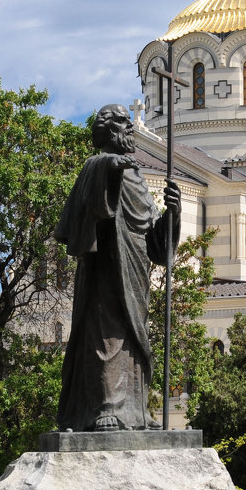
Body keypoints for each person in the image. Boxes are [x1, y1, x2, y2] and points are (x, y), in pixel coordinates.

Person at [54, 103, 181, 432]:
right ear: (108, 130)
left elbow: (155, 241)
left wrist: (173, 214)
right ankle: (105, 407)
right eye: (124, 125)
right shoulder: (95, 166)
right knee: (106, 336)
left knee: (134, 339)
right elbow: (90, 207)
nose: (131, 130)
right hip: (107, 266)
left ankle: (137, 412)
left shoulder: (136, 177)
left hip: (136, 268)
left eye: (129, 125)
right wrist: (111, 165)